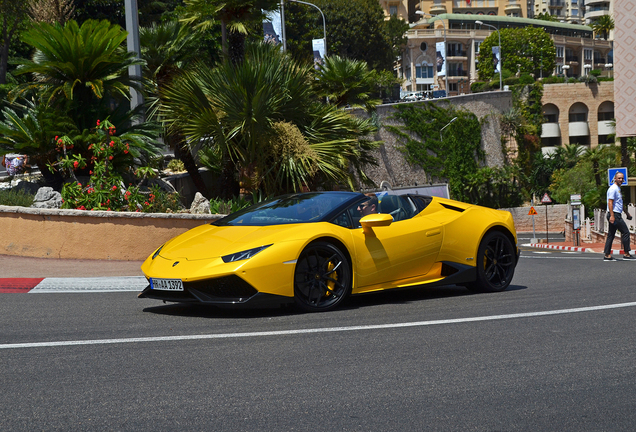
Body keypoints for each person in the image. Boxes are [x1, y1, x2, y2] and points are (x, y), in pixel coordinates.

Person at [604, 172, 633, 261]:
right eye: (619, 178)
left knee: (611, 234)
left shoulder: (618, 189)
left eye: (622, 178)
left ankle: (607, 254)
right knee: (625, 232)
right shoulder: (613, 189)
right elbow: (610, 202)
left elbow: (619, 204)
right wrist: (612, 216)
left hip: (616, 214)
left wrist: (627, 213)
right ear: (615, 179)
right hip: (615, 215)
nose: (621, 180)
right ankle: (626, 253)